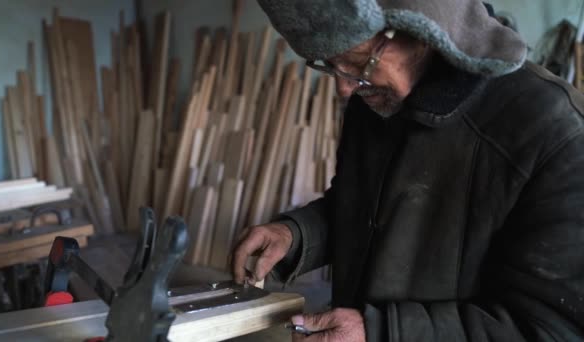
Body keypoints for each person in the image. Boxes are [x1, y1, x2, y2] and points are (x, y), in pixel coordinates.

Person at [231, 0, 584, 340]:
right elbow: (361, 209)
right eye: (330, 64)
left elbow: (555, 329)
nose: (345, 87)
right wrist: (297, 235)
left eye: (358, 63)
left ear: (425, 32)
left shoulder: (556, 133)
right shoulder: (376, 100)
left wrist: (382, 333)